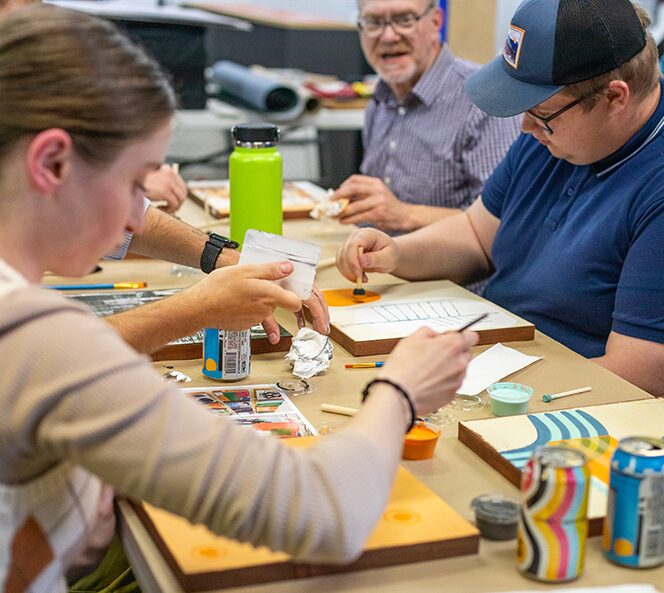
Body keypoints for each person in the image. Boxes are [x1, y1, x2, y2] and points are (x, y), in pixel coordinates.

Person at [0, 6, 478, 592]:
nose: (134, 220)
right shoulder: (31, 335)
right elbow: (324, 512)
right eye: (133, 184)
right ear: (51, 162)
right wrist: (400, 390)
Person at [337, 0, 664, 398]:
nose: (525, 127)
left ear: (615, 98)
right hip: (497, 358)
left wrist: (478, 389)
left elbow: (638, 374)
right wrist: (396, 253)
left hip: (564, 400)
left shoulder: (654, 186)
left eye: (540, 113)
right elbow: (477, 234)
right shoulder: (554, 138)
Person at [329, 0, 521, 237]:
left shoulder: (482, 101)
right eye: (374, 22)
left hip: (452, 273)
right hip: (385, 265)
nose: (388, 36)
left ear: (435, 22)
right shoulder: (379, 101)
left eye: (404, 19)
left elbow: (505, 221)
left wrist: (403, 215)